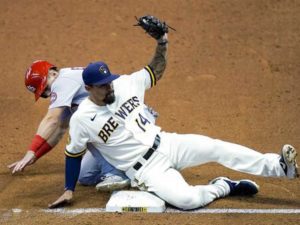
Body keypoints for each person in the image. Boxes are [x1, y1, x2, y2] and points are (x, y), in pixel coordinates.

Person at [49, 31, 298, 210]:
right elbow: (72, 154)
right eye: (103, 86)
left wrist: (162, 42)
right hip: (147, 170)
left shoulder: (124, 84)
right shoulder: (82, 118)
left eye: (110, 81)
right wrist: (69, 189)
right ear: (89, 87)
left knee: (216, 147)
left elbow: (155, 69)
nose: (109, 87)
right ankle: (223, 186)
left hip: (168, 143)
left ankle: (278, 166)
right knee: (188, 201)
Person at [7, 60, 134, 191]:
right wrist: (35, 155)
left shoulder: (62, 81)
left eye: (46, 88)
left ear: (53, 73)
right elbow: (59, 129)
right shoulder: (70, 93)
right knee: (85, 176)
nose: (49, 94)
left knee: (84, 127)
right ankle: (127, 167)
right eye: (44, 94)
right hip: (115, 122)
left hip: (124, 118)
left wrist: (30, 151)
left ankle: (115, 174)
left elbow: (52, 119)